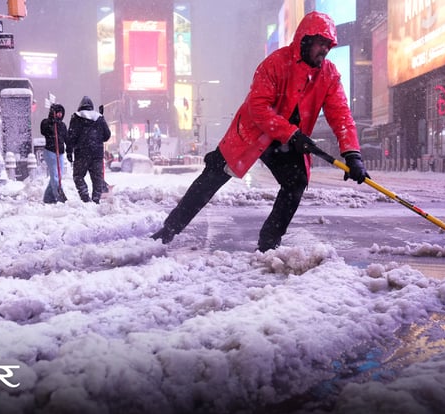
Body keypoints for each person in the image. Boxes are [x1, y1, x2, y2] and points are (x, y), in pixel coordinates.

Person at [152, 11, 368, 251]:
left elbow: (341, 116)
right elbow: (258, 107)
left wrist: (352, 155)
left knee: (296, 183)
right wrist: (292, 133)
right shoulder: (275, 63)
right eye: (321, 43)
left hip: (286, 142)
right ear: (305, 40)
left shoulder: (328, 74)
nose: (325, 50)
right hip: (252, 133)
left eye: (328, 45)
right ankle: (169, 230)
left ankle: (268, 244)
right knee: (211, 177)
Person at [66, 96, 111, 204]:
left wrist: (69, 151)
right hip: (97, 154)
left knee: (78, 176)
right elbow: (107, 136)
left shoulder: (76, 118)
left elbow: (71, 136)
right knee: (97, 178)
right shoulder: (99, 118)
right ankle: (96, 199)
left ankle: (85, 197)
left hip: (81, 153)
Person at [40, 103, 68, 204]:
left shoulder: (62, 125)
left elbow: (66, 139)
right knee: (55, 175)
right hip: (50, 152)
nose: (59, 115)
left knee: (58, 176)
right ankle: (59, 196)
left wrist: (69, 150)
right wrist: (51, 122)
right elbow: (43, 131)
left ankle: (48, 197)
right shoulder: (46, 123)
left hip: (60, 153)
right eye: (58, 113)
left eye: (61, 113)